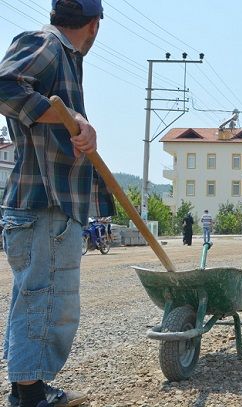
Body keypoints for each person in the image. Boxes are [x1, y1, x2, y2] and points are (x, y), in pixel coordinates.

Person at [0, 1, 110, 406]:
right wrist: (73, 120)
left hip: (46, 205)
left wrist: (78, 121)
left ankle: (28, 388)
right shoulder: (48, 44)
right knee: (47, 302)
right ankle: (30, 397)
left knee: (36, 301)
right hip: (44, 203)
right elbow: (4, 85)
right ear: (94, 25)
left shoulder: (63, 55)